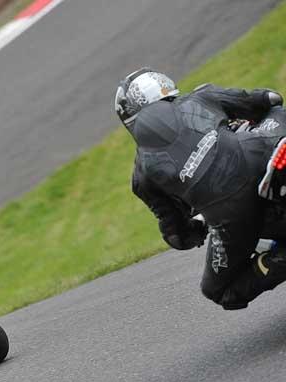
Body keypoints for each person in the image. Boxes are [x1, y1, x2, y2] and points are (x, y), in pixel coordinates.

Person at [116, 67, 286, 309]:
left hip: (232, 215)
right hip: (262, 152)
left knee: (219, 291)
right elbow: (268, 99)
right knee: (275, 111)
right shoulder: (200, 97)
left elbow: (178, 235)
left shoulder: (142, 175)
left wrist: (196, 228)